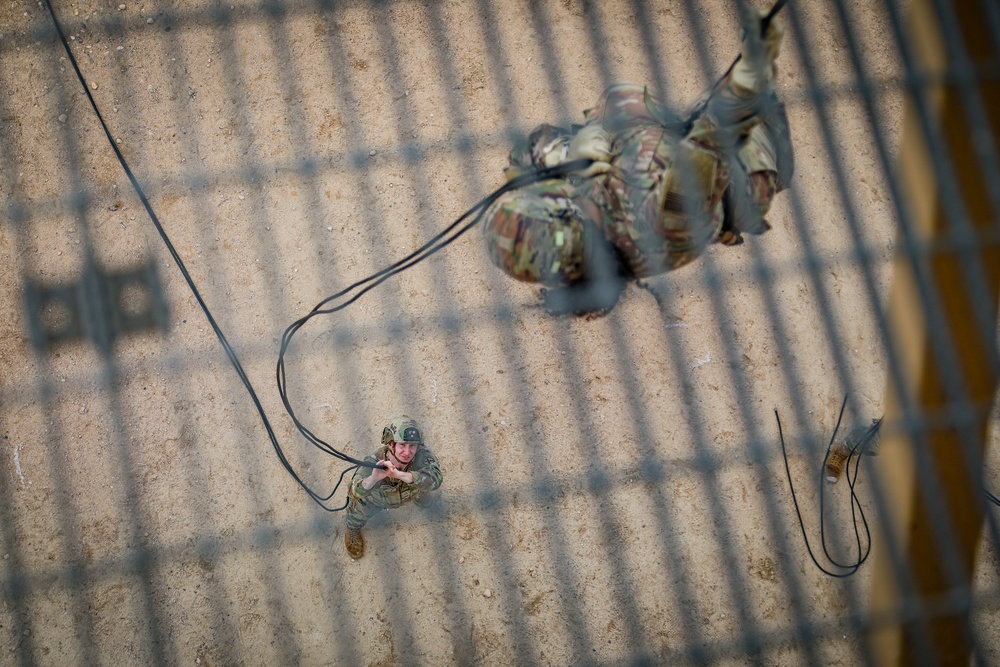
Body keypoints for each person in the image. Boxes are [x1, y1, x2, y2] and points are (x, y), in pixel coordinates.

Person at [483, 9, 793, 315]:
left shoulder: (581, 235)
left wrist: (571, 150)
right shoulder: (658, 216)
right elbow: (713, 138)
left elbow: (522, 154)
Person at [344, 415, 444, 559]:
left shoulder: (422, 455)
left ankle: (419, 495)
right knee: (357, 512)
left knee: (424, 484)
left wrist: (399, 475)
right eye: (402, 445)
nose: (407, 452)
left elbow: (435, 479)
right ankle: (352, 528)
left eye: (412, 446)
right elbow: (354, 491)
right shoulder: (373, 461)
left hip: (410, 492)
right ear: (391, 444)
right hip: (377, 500)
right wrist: (373, 478)